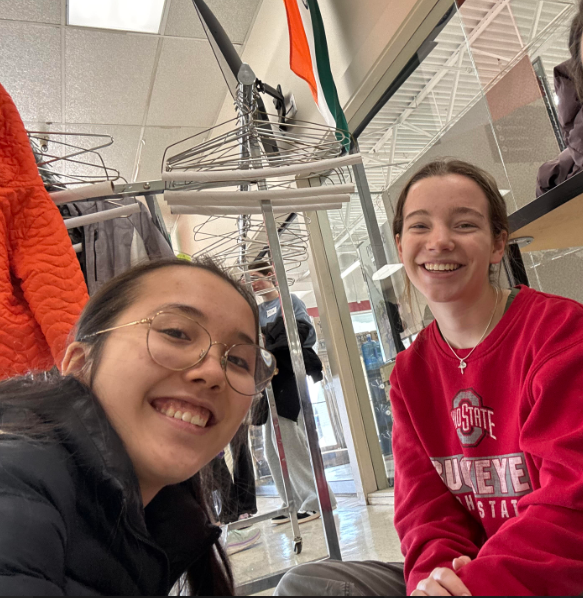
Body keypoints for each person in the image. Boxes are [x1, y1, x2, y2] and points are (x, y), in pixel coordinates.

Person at [275, 158, 583, 597]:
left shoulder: (560, 333)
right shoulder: (409, 373)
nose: (439, 242)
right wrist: (433, 582)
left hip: (551, 575)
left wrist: (474, 585)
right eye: (420, 226)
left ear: (498, 244)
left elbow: (572, 507)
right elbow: (426, 515)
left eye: (464, 225)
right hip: (464, 578)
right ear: (401, 246)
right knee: (306, 584)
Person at [0, 257, 277, 595]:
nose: (214, 373)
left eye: (237, 360)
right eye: (176, 332)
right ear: (80, 364)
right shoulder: (16, 475)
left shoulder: (162, 523)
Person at [251, 261, 337, 524]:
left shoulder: (289, 301)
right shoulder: (256, 311)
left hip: (288, 377)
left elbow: (305, 336)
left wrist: (273, 343)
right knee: (271, 447)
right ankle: (292, 502)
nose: (254, 284)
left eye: (256, 277)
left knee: (291, 441)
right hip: (268, 382)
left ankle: (316, 500)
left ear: (270, 275)